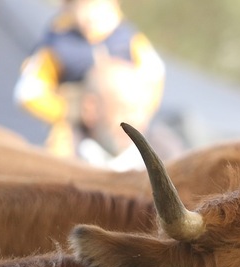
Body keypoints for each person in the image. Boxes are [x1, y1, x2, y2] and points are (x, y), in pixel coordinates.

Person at [13, 0, 166, 162]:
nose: (92, 15)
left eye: (99, 6)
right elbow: (28, 93)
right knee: (60, 155)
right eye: (83, 8)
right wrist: (67, 111)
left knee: (160, 149)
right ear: (68, 8)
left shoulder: (127, 38)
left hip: (123, 121)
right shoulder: (59, 45)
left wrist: (140, 109)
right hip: (78, 124)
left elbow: (155, 74)